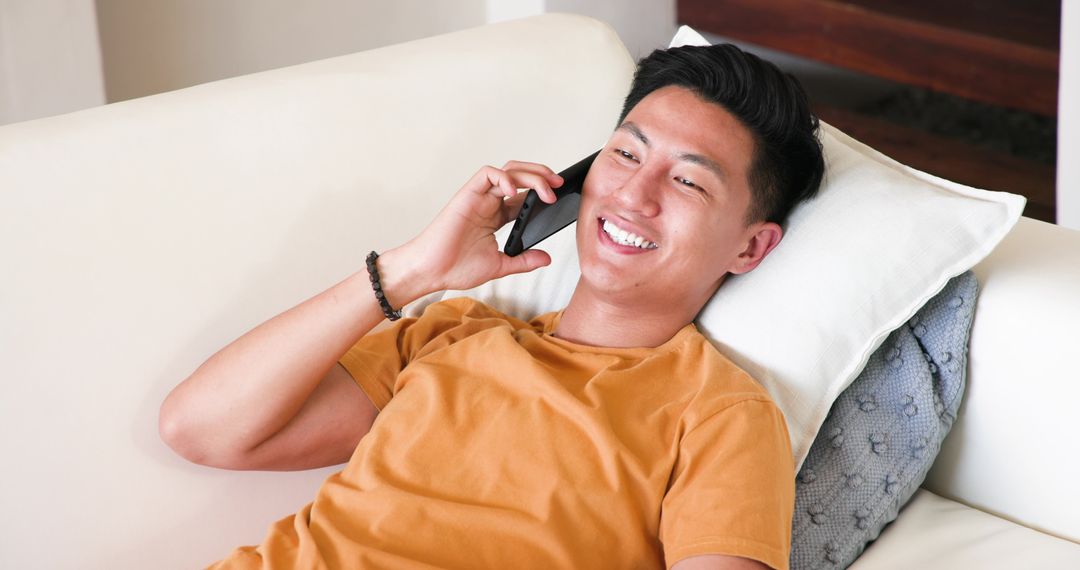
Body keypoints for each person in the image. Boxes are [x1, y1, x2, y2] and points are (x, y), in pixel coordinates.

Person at [160, 42, 824, 570]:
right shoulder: (450, 333)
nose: (633, 195)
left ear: (751, 246)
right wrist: (414, 270)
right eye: (624, 154)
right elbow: (198, 428)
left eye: (687, 180)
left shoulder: (720, 415)